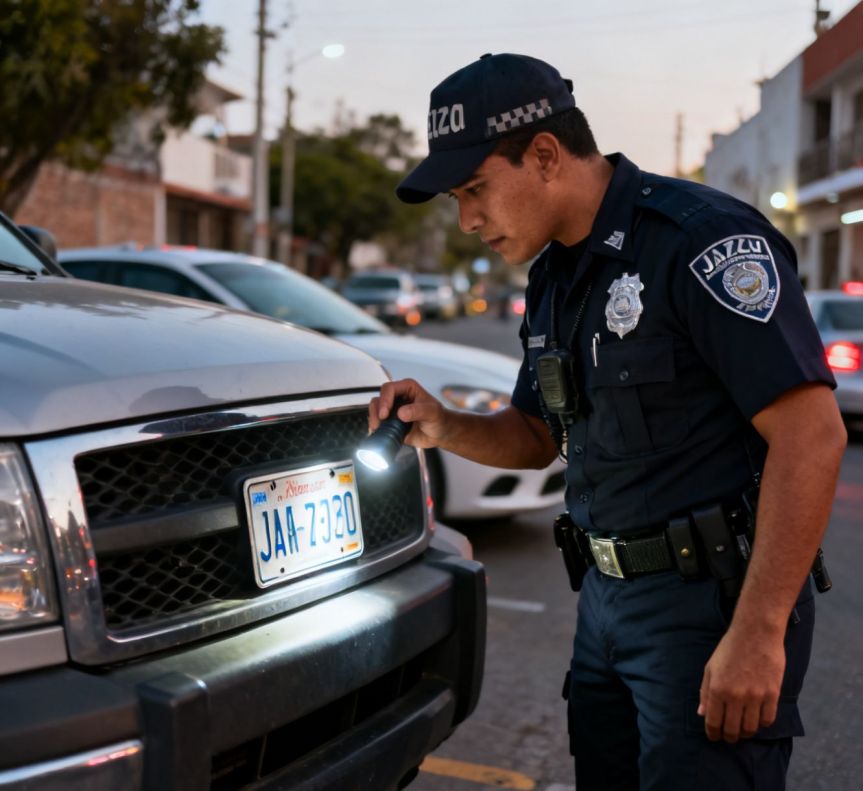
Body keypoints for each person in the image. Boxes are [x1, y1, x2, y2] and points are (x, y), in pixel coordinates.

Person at [368, 53, 847, 790]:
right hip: (605, 604)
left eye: (474, 190)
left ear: (545, 155)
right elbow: (534, 436)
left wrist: (757, 632)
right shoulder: (554, 275)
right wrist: (443, 424)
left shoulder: (699, 242)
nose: (467, 221)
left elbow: (811, 434)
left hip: (712, 606)